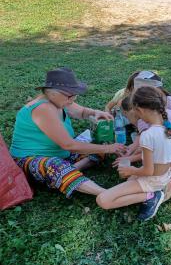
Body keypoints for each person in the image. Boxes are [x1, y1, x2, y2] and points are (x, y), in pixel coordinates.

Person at [9, 68, 126, 197]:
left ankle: (71, 170)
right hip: (30, 159)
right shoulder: (43, 108)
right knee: (55, 165)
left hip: (62, 154)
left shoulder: (60, 101)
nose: (73, 99)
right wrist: (109, 149)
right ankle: (107, 193)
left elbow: (81, 112)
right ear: (52, 93)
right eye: (70, 95)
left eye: (74, 95)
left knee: (99, 146)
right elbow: (69, 145)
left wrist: (95, 112)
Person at [96, 86, 171, 221]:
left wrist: (130, 169)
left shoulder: (148, 135)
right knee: (129, 180)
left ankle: (152, 196)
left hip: (152, 179)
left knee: (103, 200)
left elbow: (148, 170)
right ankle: (165, 184)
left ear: (140, 110)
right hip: (164, 175)